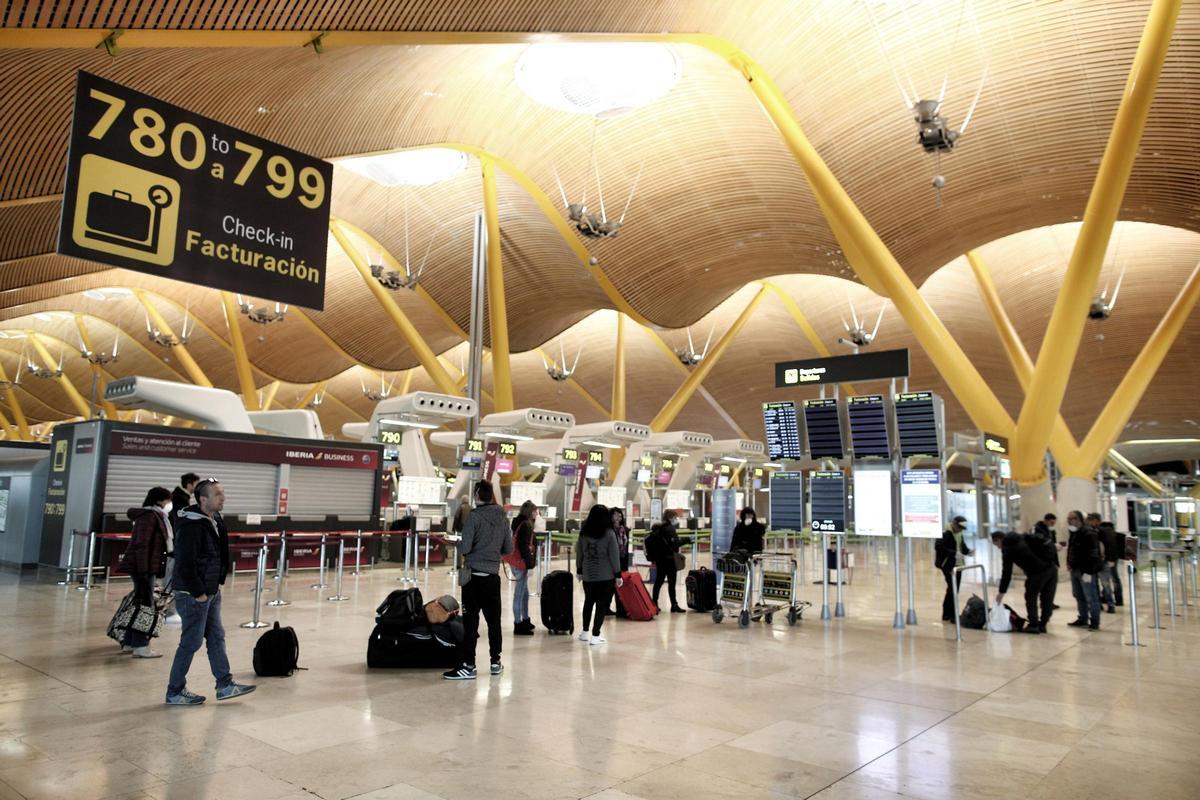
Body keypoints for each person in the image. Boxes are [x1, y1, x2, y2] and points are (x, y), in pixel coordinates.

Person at [166, 478, 255, 704]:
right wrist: (199, 593)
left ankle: (224, 684)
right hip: (193, 593)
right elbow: (185, 563)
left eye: (223, 493)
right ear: (203, 499)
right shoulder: (191, 525)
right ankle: (175, 691)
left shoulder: (214, 519)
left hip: (211, 590)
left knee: (216, 637)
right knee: (191, 641)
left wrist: (215, 586)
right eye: (218, 494)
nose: (223, 498)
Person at [444, 480, 512, 680]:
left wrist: (457, 544)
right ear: (491, 495)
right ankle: (495, 662)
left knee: (471, 622)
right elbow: (508, 549)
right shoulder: (502, 517)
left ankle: (469, 665)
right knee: (494, 622)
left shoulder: (474, 517)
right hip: (492, 578)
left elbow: (465, 548)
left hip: (473, 578)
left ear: (476, 496)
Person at [119, 487, 172, 658]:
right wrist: (144, 570)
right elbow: (142, 544)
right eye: (167, 500)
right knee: (146, 605)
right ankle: (141, 645)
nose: (168, 504)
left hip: (146, 566)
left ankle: (130, 641)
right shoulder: (149, 516)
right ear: (159, 500)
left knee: (140, 602)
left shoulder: (155, 515)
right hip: (143, 567)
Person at [991, 530, 1056, 634]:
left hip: (1037, 572)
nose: (998, 548)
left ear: (998, 540)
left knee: (1030, 596)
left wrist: (1001, 592)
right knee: (1047, 598)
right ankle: (1043, 624)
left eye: (997, 545)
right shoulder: (1023, 537)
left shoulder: (1008, 549)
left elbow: (1006, 572)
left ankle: (1033, 625)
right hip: (1051, 568)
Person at [576, 504, 623, 646]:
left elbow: (579, 552)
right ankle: (595, 635)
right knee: (601, 606)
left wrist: (579, 570)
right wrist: (618, 574)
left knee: (588, 602)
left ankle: (584, 632)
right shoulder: (609, 533)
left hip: (588, 575)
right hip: (605, 575)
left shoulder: (583, 532)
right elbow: (614, 556)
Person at [1065, 509, 1103, 630]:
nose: (1070, 521)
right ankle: (1083, 618)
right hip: (1075, 569)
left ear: (1080, 519)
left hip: (1086, 570)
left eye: (1073, 518)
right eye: (1069, 519)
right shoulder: (1074, 533)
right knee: (1078, 595)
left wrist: (1089, 571)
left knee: (1091, 596)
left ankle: (1095, 621)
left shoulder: (1088, 533)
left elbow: (1094, 554)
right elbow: (1071, 549)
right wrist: (1069, 562)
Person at [646, 509, 689, 613]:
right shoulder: (670, 529)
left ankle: (654, 602)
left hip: (661, 560)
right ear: (670, 518)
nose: (676, 519)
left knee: (658, 582)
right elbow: (675, 544)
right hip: (670, 561)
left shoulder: (659, 528)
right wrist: (687, 540)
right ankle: (674, 605)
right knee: (671, 583)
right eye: (675, 517)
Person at [935, 515, 973, 622]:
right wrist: (953, 553)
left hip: (958, 565)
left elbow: (962, 546)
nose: (961, 530)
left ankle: (947, 614)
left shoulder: (959, 533)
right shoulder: (944, 532)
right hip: (947, 564)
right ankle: (950, 615)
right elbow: (938, 547)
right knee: (952, 588)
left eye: (962, 528)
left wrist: (968, 551)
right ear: (954, 524)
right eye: (959, 527)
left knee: (954, 589)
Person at [509, 500, 538, 636]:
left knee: (525, 593)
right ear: (529, 511)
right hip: (521, 563)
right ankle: (518, 624)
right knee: (519, 595)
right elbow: (524, 546)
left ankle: (525, 620)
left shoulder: (517, 522)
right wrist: (530, 565)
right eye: (534, 511)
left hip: (515, 562)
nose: (536, 513)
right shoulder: (526, 525)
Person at [1032, 512, 1061, 609]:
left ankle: (1049, 602)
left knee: (1051, 585)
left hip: (1051, 560)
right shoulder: (1038, 530)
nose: (1053, 525)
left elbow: (1053, 545)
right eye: (1051, 523)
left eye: (1054, 523)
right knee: (1043, 585)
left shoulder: (1051, 531)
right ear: (1046, 521)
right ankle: (1044, 603)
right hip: (1043, 561)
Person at [1093, 516, 1118, 614]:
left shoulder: (1104, 532)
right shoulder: (1090, 531)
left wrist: (1111, 559)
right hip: (1095, 562)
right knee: (1096, 584)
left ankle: (1110, 604)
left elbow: (1110, 545)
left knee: (1105, 584)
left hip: (1102, 561)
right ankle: (1099, 603)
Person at [609, 507, 631, 617]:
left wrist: (626, 564)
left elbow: (626, 548)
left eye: (620, 515)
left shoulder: (625, 530)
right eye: (616, 515)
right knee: (610, 587)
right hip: (610, 562)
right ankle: (605, 608)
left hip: (622, 561)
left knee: (620, 586)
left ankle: (621, 610)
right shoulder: (608, 530)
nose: (618, 517)